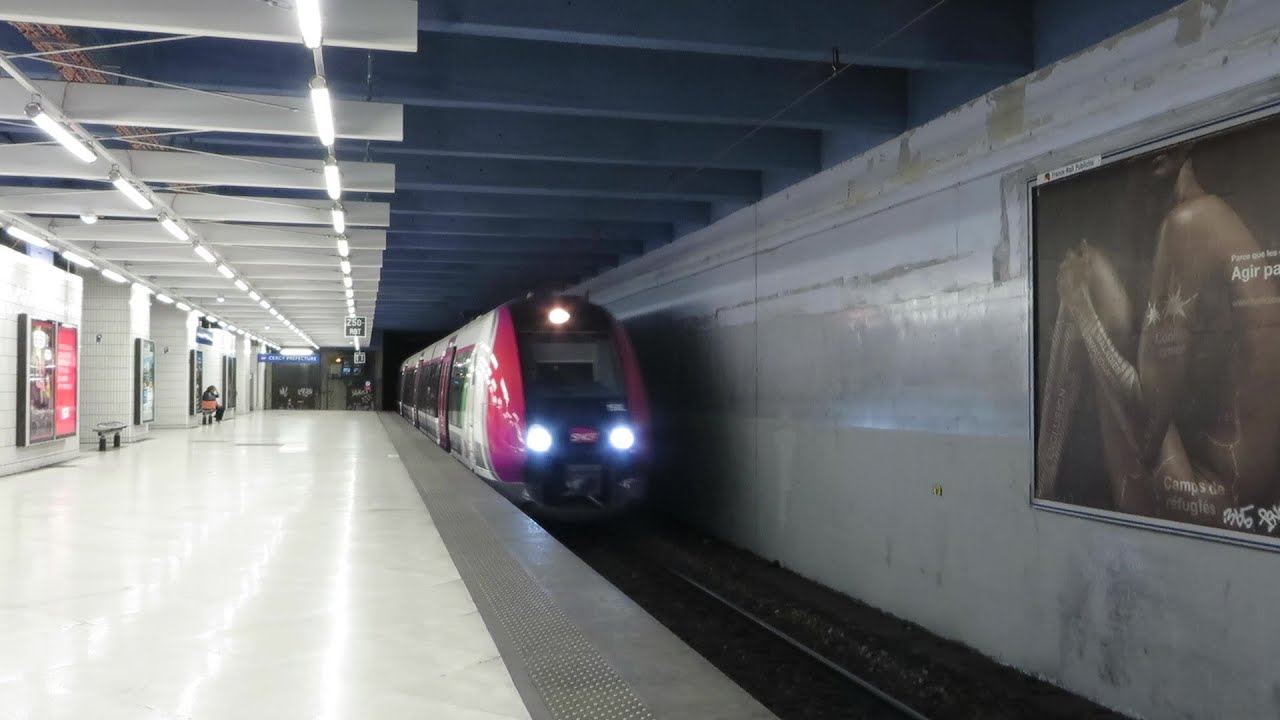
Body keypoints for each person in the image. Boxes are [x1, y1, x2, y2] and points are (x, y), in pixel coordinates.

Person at [1038, 145, 1280, 530]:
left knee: (1091, 274)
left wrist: (1082, 311)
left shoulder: (1186, 225)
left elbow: (1148, 434)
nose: (1123, 197)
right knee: (1114, 310)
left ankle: (1040, 490)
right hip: (1250, 507)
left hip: (1205, 503)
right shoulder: (1223, 221)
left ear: (1159, 164)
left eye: (1124, 176)